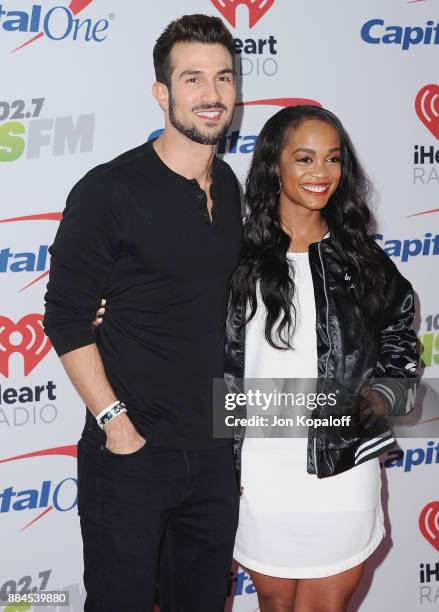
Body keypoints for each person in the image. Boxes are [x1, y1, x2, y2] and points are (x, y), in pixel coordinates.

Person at [43, 14, 243, 612]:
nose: (211, 96)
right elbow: (66, 317)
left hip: (212, 452)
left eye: (224, 78)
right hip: (131, 454)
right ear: (163, 93)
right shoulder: (109, 191)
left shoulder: (230, 187)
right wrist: (118, 428)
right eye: (193, 79)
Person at [224, 105, 418, 612]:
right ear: (274, 166)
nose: (321, 173)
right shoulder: (231, 254)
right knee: (273, 600)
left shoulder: (362, 259)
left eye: (332, 159)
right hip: (258, 469)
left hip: (341, 466)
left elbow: (400, 341)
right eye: (304, 158)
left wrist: (374, 401)